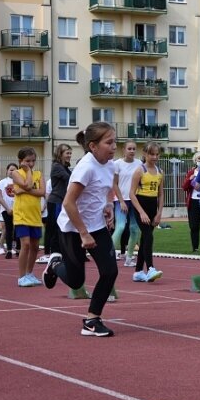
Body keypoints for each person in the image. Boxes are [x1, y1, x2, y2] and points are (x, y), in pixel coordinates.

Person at [42, 122, 119, 337]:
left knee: (110, 271)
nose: (114, 147)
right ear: (93, 146)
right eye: (109, 142)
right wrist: (83, 233)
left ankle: (92, 320)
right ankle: (55, 264)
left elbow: (106, 190)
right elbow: (68, 203)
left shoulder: (110, 164)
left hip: (97, 225)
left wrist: (108, 205)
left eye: (115, 141)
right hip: (72, 228)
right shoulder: (85, 167)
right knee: (76, 281)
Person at [128, 141, 163, 283]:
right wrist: (141, 212)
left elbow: (161, 194)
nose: (154, 157)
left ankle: (137, 272)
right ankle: (150, 268)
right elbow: (131, 193)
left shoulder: (160, 172)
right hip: (140, 205)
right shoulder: (140, 170)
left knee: (145, 240)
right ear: (145, 154)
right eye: (151, 154)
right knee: (148, 236)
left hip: (152, 205)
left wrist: (159, 212)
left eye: (157, 154)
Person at [11, 147, 45, 287]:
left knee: (35, 246)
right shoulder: (16, 173)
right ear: (21, 161)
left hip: (35, 215)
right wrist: (28, 173)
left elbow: (42, 192)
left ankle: (30, 273)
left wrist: (23, 191)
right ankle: (21, 276)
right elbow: (28, 184)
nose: (31, 164)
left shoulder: (39, 174)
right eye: (27, 161)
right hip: (22, 215)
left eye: (33, 161)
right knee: (25, 244)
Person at [111, 141, 141, 267]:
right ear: (124, 150)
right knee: (121, 227)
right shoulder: (117, 164)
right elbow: (114, 184)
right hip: (121, 200)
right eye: (129, 148)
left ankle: (129, 258)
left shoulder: (139, 163)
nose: (132, 151)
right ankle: (107, 256)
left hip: (135, 200)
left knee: (135, 229)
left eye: (134, 149)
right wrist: (121, 201)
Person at [40, 144, 72, 264]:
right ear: (60, 154)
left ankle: (58, 251)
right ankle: (49, 253)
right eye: (67, 153)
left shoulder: (65, 167)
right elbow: (70, 179)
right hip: (56, 201)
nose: (69, 155)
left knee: (61, 228)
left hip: (62, 201)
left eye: (70, 153)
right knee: (53, 228)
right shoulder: (57, 167)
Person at [181, 151, 200, 253]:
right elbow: (184, 187)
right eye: (199, 159)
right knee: (194, 226)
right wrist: (189, 179)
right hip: (193, 202)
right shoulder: (191, 172)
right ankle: (195, 248)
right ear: (195, 160)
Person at [0, 163, 18, 259]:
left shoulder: (20, 181)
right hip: (6, 210)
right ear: (7, 170)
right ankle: (9, 250)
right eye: (11, 169)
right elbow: (0, 197)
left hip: (18, 209)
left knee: (18, 230)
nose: (12, 171)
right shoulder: (2, 182)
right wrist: (8, 208)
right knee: (9, 229)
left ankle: (18, 249)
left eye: (14, 170)